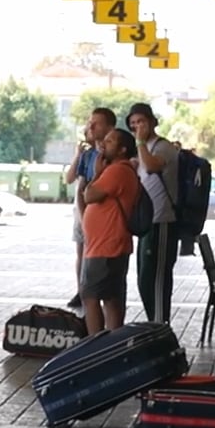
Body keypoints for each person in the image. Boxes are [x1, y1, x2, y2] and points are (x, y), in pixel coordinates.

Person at [77, 127, 140, 335]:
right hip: (108, 244)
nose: (103, 144)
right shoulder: (122, 170)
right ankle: (113, 342)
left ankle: (97, 343)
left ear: (122, 150)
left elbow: (89, 195)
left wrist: (97, 173)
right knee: (111, 298)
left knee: (90, 296)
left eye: (110, 141)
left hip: (106, 246)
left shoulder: (117, 170)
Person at [126, 102, 180, 324]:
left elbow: (150, 166)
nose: (137, 127)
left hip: (163, 219)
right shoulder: (143, 149)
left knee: (157, 278)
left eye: (141, 122)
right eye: (133, 123)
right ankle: (153, 322)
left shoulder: (162, 146)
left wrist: (139, 143)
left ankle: (159, 325)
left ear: (151, 122)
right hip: (147, 222)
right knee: (144, 278)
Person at [65, 108, 118, 309]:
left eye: (97, 123)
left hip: (104, 217)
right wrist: (83, 216)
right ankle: (82, 292)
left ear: (110, 127)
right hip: (85, 212)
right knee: (82, 252)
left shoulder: (114, 155)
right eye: (90, 123)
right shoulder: (87, 155)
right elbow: (79, 186)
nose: (91, 126)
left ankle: (97, 297)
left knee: (101, 260)